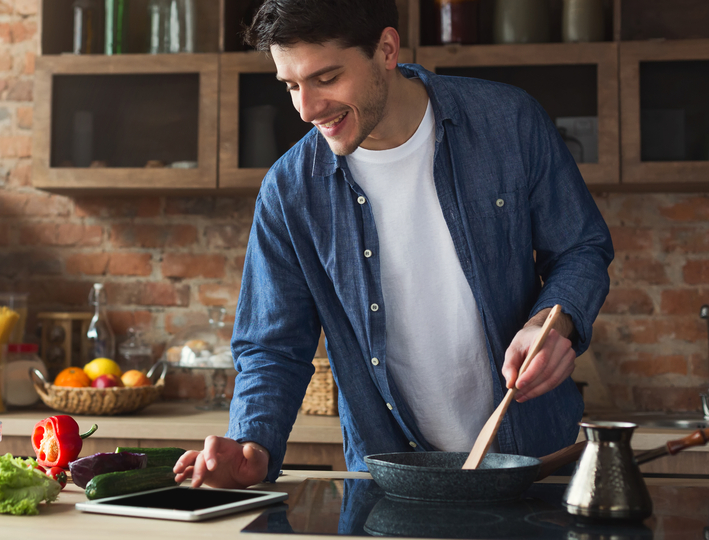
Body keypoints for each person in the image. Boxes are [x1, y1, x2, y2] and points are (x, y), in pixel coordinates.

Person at [173, 0, 613, 489]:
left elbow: (580, 248)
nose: (306, 109)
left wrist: (550, 323)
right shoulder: (289, 190)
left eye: (326, 78)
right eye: (291, 86)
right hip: (389, 479)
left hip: (536, 465)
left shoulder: (508, 121)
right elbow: (271, 345)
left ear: (386, 49)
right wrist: (252, 444)